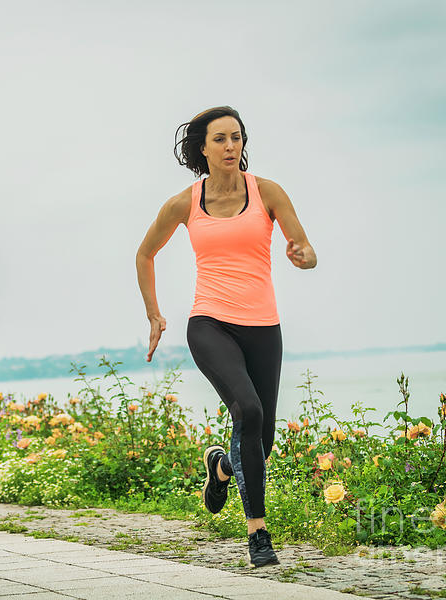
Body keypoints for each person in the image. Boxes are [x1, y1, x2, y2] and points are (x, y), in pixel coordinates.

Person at [136, 107, 316, 568]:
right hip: (210, 323)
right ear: (203, 148)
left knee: (263, 440)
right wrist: (155, 315)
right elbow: (145, 254)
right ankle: (258, 533)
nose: (231, 146)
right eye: (220, 139)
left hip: (263, 325)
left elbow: (305, 247)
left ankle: (219, 467)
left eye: (236, 137)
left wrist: (303, 254)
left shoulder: (267, 192)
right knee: (248, 410)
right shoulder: (184, 203)